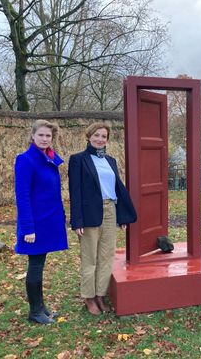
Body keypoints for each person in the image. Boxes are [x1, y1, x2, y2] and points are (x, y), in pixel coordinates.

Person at [68, 123, 136, 315]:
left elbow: (117, 189)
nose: (100, 139)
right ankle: (88, 297)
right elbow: (75, 192)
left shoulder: (110, 160)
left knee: (107, 256)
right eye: (96, 135)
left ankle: (100, 294)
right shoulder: (78, 160)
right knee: (90, 258)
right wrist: (77, 221)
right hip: (89, 214)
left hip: (110, 210)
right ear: (89, 136)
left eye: (104, 136)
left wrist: (121, 216)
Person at [14, 119, 69, 324]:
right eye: (41, 135)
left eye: (48, 136)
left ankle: (41, 308)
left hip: (48, 221)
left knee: (40, 264)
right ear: (33, 136)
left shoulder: (49, 158)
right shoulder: (26, 160)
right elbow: (22, 196)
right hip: (35, 224)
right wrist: (28, 227)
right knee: (35, 266)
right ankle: (35, 312)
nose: (45, 139)